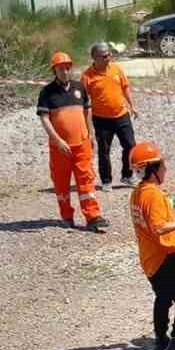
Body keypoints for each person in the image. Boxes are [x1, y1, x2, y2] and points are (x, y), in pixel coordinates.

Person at [128, 140, 175, 350]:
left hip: (151, 259)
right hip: (165, 258)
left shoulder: (139, 192)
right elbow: (158, 227)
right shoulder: (152, 195)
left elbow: (150, 213)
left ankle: (161, 339)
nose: (166, 169)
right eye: (162, 165)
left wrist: (172, 202)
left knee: (163, 299)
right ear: (152, 169)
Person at [36, 51, 107, 232]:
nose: (65, 72)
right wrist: (58, 140)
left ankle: (93, 217)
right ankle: (66, 216)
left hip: (81, 144)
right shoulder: (47, 92)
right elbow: (44, 119)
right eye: (61, 69)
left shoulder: (79, 88)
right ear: (55, 70)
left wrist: (91, 135)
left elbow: (87, 111)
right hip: (60, 147)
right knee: (61, 182)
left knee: (86, 181)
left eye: (67, 68)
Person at [82, 41, 137, 187]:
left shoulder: (116, 69)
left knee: (131, 145)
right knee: (104, 151)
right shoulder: (87, 76)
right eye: (105, 55)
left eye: (109, 54)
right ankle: (106, 181)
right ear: (95, 58)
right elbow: (84, 102)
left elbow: (125, 87)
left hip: (122, 115)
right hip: (101, 120)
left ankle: (128, 175)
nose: (109, 57)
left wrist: (132, 106)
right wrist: (87, 127)